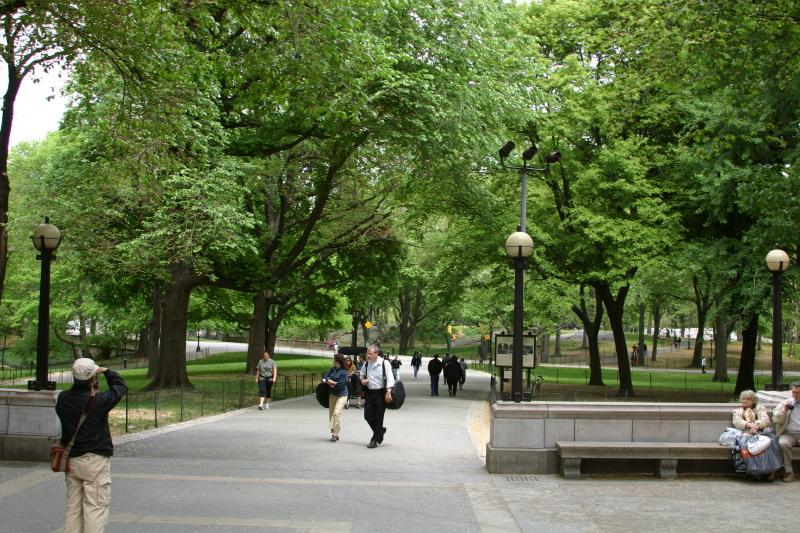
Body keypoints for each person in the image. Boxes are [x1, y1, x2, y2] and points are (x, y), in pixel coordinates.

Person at [55, 357, 128, 533]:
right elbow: (120, 387)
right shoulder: (99, 401)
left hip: (72, 459)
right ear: (93, 378)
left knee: (73, 507)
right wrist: (106, 371)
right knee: (95, 507)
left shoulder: (63, 398)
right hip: (95, 460)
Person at [359, 345, 395, 448]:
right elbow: (361, 375)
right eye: (367, 353)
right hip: (369, 393)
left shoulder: (384, 363)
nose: (368, 355)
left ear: (376, 353)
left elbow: (390, 378)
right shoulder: (366, 364)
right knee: (367, 416)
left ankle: (374, 439)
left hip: (381, 393)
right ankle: (380, 431)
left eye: (370, 353)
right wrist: (362, 381)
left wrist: (388, 392)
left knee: (378, 417)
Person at [773, 381, 800, 482]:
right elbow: (776, 420)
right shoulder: (786, 403)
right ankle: (789, 472)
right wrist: (784, 410)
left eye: (798, 393)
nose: (795, 395)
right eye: (793, 392)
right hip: (789, 434)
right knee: (783, 443)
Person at [323, 354, 349, 442]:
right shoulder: (332, 369)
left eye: (333, 359)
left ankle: (335, 434)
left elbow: (341, 385)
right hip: (332, 395)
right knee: (332, 415)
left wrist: (331, 384)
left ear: (337, 361)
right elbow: (324, 377)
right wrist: (328, 381)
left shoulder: (344, 372)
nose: (332, 361)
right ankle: (335, 432)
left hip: (342, 395)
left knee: (336, 413)